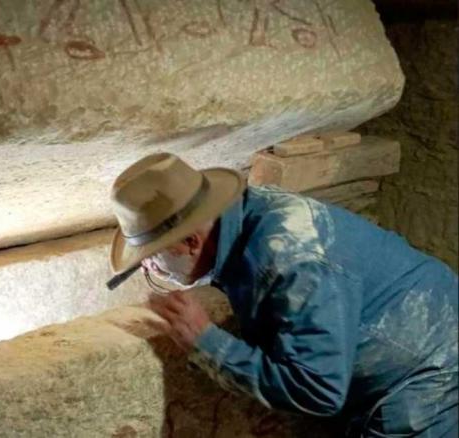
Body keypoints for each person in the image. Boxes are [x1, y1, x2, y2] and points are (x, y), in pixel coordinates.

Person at [107, 152, 458, 437]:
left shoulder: (289, 259)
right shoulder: (246, 215)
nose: (150, 269)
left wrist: (207, 342)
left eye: (151, 257)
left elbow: (318, 390)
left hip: (429, 377)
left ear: (190, 241)